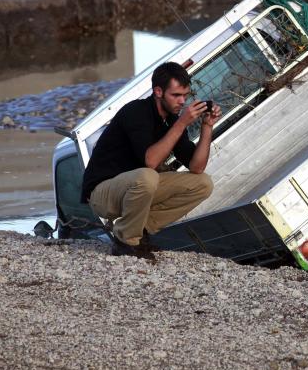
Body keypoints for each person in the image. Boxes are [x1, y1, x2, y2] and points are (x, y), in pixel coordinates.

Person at [81, 62, 220, 259]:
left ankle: (140, 230)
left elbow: (197, 168)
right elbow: (151, 161)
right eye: (176, 95)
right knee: (148, 176)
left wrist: (207, 127)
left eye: (185, 95)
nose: (182, 102)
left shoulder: (171, 120)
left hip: (136, 187)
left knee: (203, 184)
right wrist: (182, 123)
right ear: (158, 91)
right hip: (102, 193)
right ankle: (125, 241)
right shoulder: (136, 112)